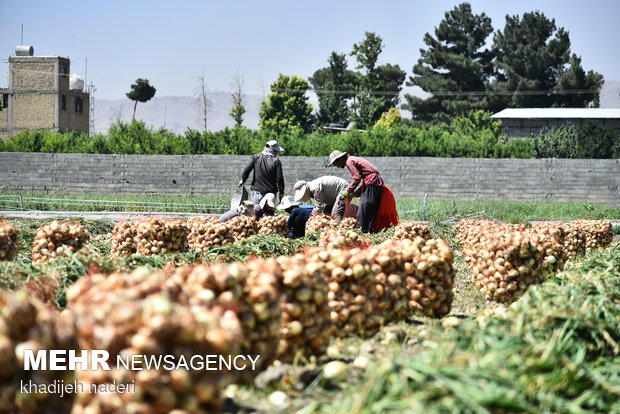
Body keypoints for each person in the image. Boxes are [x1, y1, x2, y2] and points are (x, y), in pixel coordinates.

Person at [328, 150, 385, 233]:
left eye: (335, 163)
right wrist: (359, 190)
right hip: (373, 182)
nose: (336, 166)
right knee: (368, 209)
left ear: (339, 159)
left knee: (363, 210)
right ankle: (368, 231)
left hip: (372, 182)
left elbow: (357, 178)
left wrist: (348, 191)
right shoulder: (352, 159)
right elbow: (367, 174)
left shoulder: (349, 161)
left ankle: (363, 232)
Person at [239, 140, 285, 205]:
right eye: (277, 151)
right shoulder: (276, 161)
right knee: (269, 215)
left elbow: (246, 171)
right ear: (274, 151)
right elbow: (279, 179)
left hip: (256, 192)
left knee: (256, 213)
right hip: (270, 195)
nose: (277, 153)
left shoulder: (255, 157)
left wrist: (243, 180)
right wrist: (281, 194)